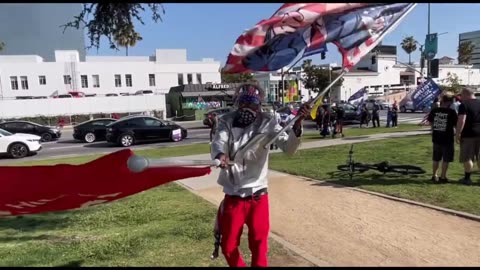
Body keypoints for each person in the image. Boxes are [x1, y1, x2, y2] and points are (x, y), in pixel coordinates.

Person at [211, 84, 310, 267]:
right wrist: (220, 155)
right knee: (228, 246)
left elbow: (288, 148)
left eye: (253, 104)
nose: (248, 109)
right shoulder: (226, 121)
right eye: (243, 103)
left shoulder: (268, 121)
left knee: (259, 244)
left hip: (258, 195)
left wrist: (297, 123)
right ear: (237, 104)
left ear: (259, 105)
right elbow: (219, 142)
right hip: (234, 195)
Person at [427, 94, 458, 183]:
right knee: (446, 159)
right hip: (447, 138)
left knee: (436, 158)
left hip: (436, 137)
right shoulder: (451, 112)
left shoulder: (435, 111)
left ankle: (434, 175)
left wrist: (434, 129)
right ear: (449, 102)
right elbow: (456, 125)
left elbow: (430, 122)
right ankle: (443, 177)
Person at [455, 87, 480, 185]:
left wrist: (458, 134)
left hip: (468, 134)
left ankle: (467, 178)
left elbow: (462, 120)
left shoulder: (463, 104)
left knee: (468, 157)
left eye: (461, 95)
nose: (461, 97)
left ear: (465, 94)